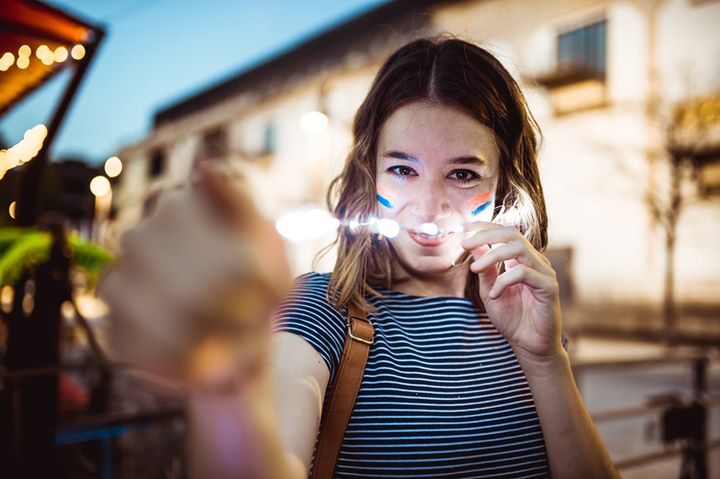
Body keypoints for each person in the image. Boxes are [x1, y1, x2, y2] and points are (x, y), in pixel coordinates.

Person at [100, 36, 619, 478]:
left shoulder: (525, 314)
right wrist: (224, 376)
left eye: (463, 174)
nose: (429, 207)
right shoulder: (324, 308)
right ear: (370, 174)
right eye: (402, 170)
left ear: (504, 182)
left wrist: (546, 359)